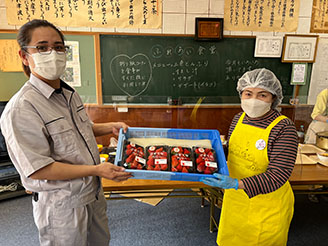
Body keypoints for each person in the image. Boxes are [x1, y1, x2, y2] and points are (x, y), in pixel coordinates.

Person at [0, 19, 132, 246]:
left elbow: (79, 132)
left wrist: (110, 127)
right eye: (42, 47)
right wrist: (97, 169)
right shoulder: (22, 108)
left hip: (92, 193)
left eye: (59, 47)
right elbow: (38, 169)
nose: (53, 53)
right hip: (62, 205)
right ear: (24, 56)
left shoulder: (68, 94)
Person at [201, 68, 298, 246]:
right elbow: (232, 151)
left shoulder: (284, 128)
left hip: (267, 205)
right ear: (241, 95)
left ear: (273, 98)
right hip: (235, 201)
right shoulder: (238, 119)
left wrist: (237, 184)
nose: (253, 100)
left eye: (262, 95)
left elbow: (278, 175)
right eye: (248, 93)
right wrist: (208, 153)